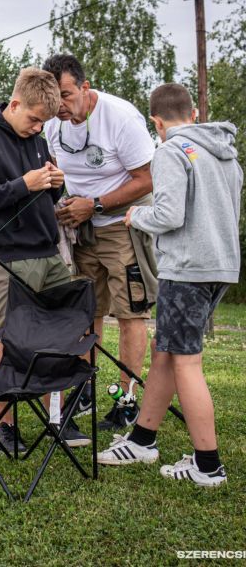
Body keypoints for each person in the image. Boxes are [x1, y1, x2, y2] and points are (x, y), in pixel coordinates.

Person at [97, 83, 241, 487]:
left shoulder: (170, 152)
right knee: (167, 351)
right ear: (193, 114)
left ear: (156, 123)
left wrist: (134, 218)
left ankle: (208, 465)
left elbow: (169, 214)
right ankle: (142, 440)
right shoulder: (226, 155)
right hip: (220, 267)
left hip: (188, 268)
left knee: (186, 362)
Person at [0, 66, 89, 451]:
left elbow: (41, 197)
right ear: (14, 104)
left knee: (65, 333)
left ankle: (58, 418)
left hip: (49, 252)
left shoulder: (37, 139)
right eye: (33, 119)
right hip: (9, 258)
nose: (37, 128)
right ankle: (3, 425)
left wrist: (53, 185)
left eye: (43, 122)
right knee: (9, 341)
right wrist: (23, 184)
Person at [43, 53, 157, 431]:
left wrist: (94, 204)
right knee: (85, 311)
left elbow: (147, 179)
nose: (59, 105)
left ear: (85, 87)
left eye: (66, 94)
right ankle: (84, 389)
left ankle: (126, 399)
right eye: (52, 97)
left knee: (129, 312)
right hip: (79, 229)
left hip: (121, 225)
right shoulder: (53, 126)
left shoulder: (120, 118)